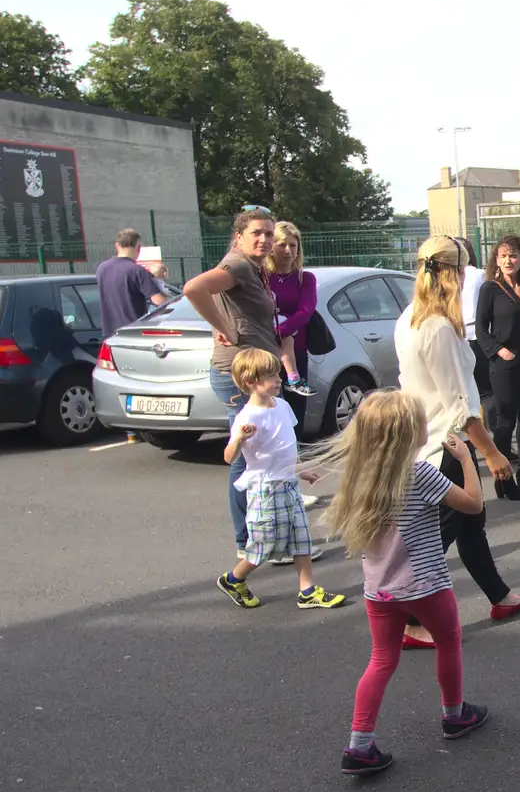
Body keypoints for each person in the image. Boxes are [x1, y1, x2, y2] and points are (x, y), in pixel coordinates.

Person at [322, 391, 490, 776]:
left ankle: (359, 745)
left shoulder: (361, 474)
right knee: (448, 641)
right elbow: (473, 505)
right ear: (407, 434)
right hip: (426, 584)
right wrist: (466, 459)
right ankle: (454, 714)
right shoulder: (420, 473)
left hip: (378, 589)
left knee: (381, 660)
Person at [394, 235, 520, 647]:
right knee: (438, 535)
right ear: (454, 274)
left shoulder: (410, 317)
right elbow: (459, 404)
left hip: (430, 440)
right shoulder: (437, 327)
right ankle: (410, 622)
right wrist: (491, 452)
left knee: (472, 523)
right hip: (446, 447)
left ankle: (499, 595)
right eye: (464, 270)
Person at [185, 208, 297, 559]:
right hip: (240, 376)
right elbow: (194, 288)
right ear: (239, 237)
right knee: (245, 460)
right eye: (256, 234)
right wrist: (224, 328)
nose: (264, 239)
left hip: (252, 371)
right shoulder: (236, 265)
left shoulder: (252, 268)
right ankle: (249, 543)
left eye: (268, 233)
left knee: (253, 458)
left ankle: (263, 538)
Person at [213, 349, 345, 611]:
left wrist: (298, 470)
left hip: (288, 484)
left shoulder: (282, 406)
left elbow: (285, 444)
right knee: (264, 544)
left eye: (277, 373)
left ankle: (307, 590)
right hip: (265, 489)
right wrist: (238, 439)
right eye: (271, 376)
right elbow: (230, 457)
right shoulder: (247, 417)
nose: (278, 379)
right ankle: (233, 579)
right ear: (251, 382)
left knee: (301, 539)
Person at [476, 234, 520, 501]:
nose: (508, 260)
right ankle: (503, 481)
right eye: (504, 256)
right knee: (504, 422)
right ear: (497, 259)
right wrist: (498, 351)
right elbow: (481, 329)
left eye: (513, 256)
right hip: (504, 362)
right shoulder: (490, 289)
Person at [96, 228, 169, 337]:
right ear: (139, 247)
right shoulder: (138, 271)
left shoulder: (101, 268)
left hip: (110, 333)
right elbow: (159, 301)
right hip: (134, 332)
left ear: (117, 246)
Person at [460, 241, 490, 402]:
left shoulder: (475, 274)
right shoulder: (480, 274)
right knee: (483, 388)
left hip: (460, 332)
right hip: (477, 335)